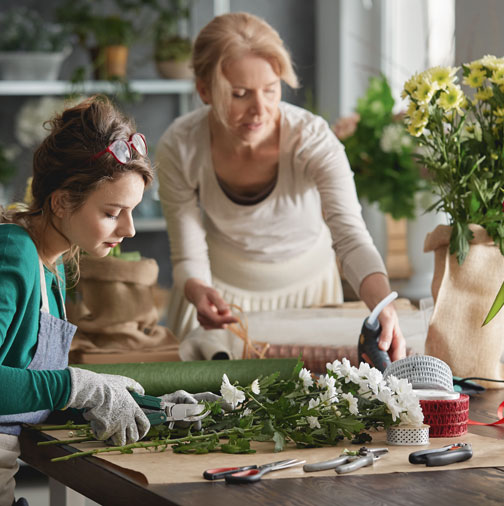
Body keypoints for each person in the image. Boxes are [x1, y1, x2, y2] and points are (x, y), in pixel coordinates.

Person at [156, 12, 407, 362]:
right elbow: (187, 256)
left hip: (310, 296)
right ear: (204, 90)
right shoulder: (180, 147)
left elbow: (350, 236)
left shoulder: (312, 139)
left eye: (271, 90)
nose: (260, 110)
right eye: (240, 94)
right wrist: (198, 290)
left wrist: (383, 306)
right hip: (219, 299)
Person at [0, 96, 156, 506]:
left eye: (132, 211)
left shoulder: (51, 268)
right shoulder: (14, 253)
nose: (130, 229)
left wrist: (150, 406)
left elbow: (30, 388)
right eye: (112, 212)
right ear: (61, 201)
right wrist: (78, 385)